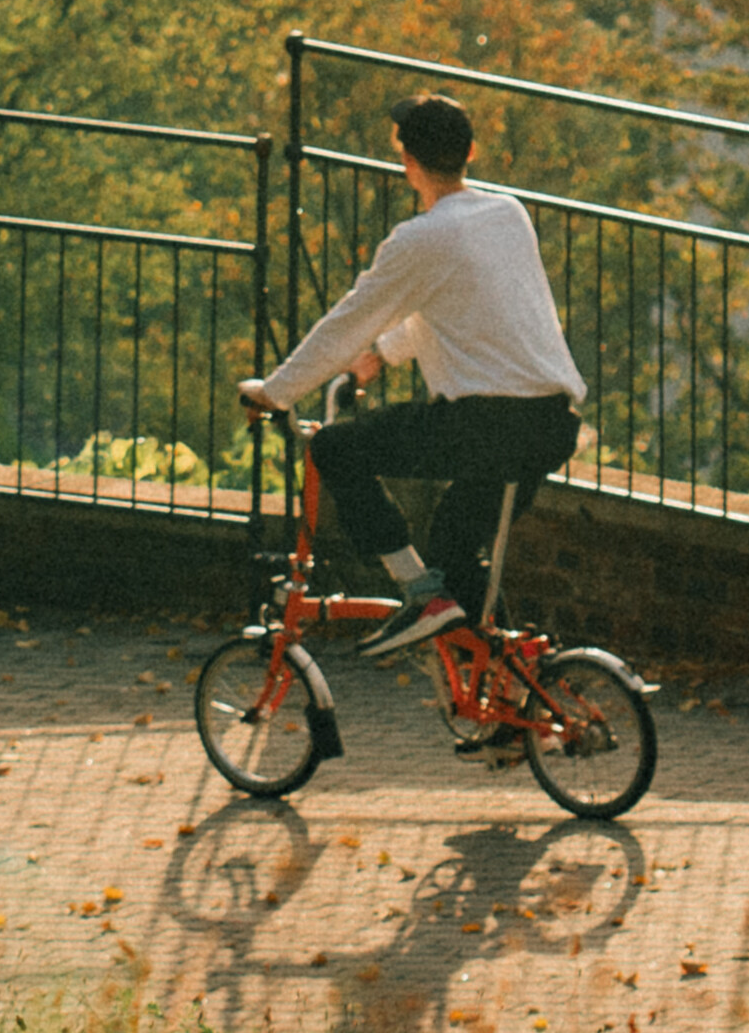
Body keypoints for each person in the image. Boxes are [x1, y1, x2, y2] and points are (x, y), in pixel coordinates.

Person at [241, 93, 587, 673]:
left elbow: (345, 322)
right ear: (471, 151)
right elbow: (470, 306)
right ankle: (511, 696)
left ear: (406, 160)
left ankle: (421, 597)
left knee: (334, 448)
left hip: (485, 424)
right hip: (550, 423)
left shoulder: (419, 239)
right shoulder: (509, 214)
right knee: (455, 547)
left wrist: (275, 392)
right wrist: (384, 351)